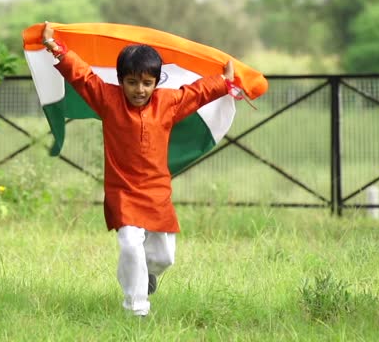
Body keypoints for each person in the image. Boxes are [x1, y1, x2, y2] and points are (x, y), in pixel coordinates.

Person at [40, 22, 235, 317]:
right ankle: (137, 308)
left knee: (165, 257)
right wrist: (56, 48)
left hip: (157, 193)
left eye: (147, 83)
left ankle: (147, 276)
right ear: (120, 80)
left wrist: (225, 82)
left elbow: (197, 92)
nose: (139, 89)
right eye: (132, 82)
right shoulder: (106, 99)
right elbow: (81, 76)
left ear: (157, 82)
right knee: (131, 246)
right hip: (122, 193)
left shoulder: (169, 103)